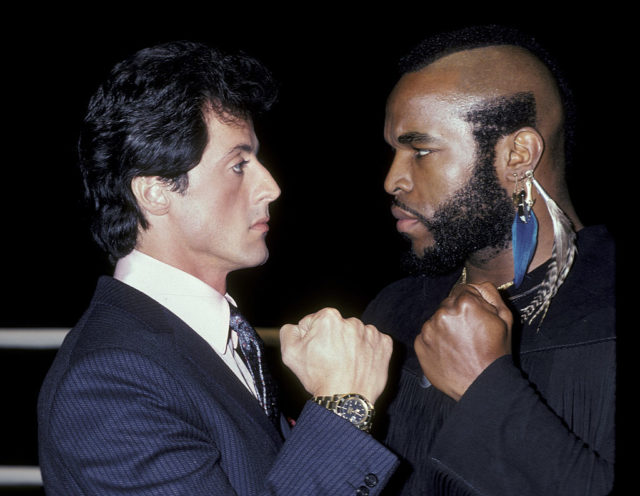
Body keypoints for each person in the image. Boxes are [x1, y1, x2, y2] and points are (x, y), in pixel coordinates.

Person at [37, 40, 398, 495]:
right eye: (239, 165)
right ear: (155, 191)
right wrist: (342, 407)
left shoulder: (207, 334)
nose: (271, 186)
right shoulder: (109, 380)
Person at [362, 26, 616, 495]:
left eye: (420, 150)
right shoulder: (392, 313)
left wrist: (487, 391)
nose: (393, 179)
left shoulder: (606, 310)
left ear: (518, 154)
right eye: (394, 151)